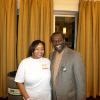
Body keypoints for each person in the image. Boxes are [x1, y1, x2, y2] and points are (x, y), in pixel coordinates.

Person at [50, 32, 86, 100]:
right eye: (54, 41)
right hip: (54, 96)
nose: (57, 43)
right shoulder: (52, 55)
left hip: (69, 97)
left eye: (59, 40)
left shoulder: (75, 55)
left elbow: (81, 83)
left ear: (64, 40)